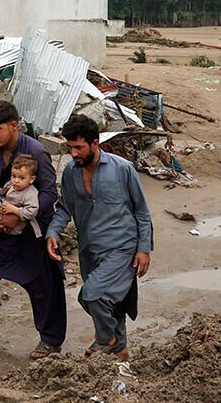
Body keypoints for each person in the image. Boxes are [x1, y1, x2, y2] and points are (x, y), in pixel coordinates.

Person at [0, 101, 66, 361]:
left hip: (32, 230)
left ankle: (50, 341)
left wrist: (17, 219)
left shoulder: (36, 152)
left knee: (43, 286)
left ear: (14, 126)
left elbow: (50, 193)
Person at [45, 115, 152, 362]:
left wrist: (144, 248)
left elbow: (141, 211)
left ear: (95, 144)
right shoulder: (71, 172)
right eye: (70, 147)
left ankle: (106, 339)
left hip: (122, 248)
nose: (73, 153)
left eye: (79, 147)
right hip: (89, 250)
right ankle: (121, 352)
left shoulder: (123, 169)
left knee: (92, 295)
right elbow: (65, 207)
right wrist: (53, 232)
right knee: (112, 302)